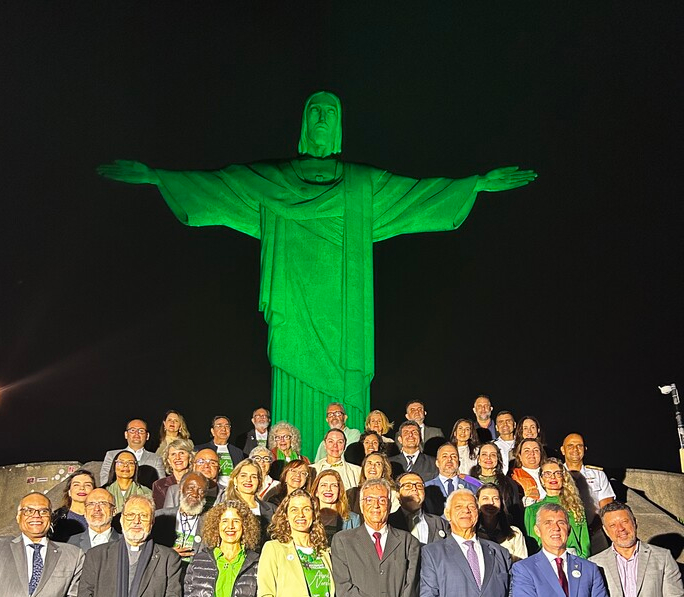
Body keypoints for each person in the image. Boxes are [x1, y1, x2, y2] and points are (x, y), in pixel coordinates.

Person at [98, 91, 535, 457]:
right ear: (305, 124)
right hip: (292, 306)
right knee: (290, 393)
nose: (322, 118)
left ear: (340, 125)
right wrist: (158, 177)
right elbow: (219, 186)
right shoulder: (273, 179)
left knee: (348, 400)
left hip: (344, 317)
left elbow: (417, 195)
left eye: (331, 113)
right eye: (315, 112)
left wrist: (473, 184)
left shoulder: (361, 185)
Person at [524, 457, 590, 558]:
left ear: (563, 478)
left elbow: (585, 543)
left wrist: (583, 562)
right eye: (547, 474)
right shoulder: (531, 510)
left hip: (574, 558)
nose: (553, 477)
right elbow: (531, 544)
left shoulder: (576, 507)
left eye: (557, 473)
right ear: (541, 479)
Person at [561, 432, 615, 554]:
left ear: (585, 449)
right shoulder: (556, 475)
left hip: (595, 534)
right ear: (562, 450)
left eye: (579, 445)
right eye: (570, 446)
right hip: (567, 536)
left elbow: (607, 507)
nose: (575, 449)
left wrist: (590, 530)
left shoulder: (598, 475)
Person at [100, 418, 165, 488]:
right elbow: (105, 481)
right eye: (132, 430)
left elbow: (161, 485)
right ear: (126, 434)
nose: (136, 434)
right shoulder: (111, 455)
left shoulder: (156, 459)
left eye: (141, 431)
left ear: (147, 436)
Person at [469, 442, 522, 523]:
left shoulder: (509, 483)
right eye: (484, 454)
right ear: (478, 459)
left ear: (498, 459)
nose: (488, 458)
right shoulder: (469, 482)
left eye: (493, 455)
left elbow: (516, 513)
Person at [390, 473, 448, 544]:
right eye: (408, 486)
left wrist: (466, 478)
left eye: (419, 486)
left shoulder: (440, 523)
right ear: (398, 495)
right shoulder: (388, 523)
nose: (414, 489)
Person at [424, 442, 480, 516]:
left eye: (454, 456)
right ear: (437, 463)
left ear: (459, 463)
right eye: (444, 456)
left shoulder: (472, 488)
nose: (449, 459)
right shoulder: (426, 488)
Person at [476, 483, 527, 561]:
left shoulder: (515, 533)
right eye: (485, 498)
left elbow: (522, 564)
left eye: (496, 498)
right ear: (477, 503)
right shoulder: (472, 533)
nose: (491, 503)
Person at [226, 458, 275, 539]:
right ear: (235, 480)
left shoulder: (272, 509)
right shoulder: (225, 508)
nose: (248, 480)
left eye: (253, 477)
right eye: (243, 476)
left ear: (259, 482)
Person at [311, 468, 361, 538]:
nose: (328, 489)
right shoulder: (309, 516)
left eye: (334, 485)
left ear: (339, 491)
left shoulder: (353, 519)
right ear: (316, 491)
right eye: (323, 485)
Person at [347, 451, 399, 517]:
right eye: (369, 463)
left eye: (378, 464)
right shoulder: (351, 493)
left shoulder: (393, 494)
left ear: (384, 471)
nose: (373, 467)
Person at [50, 469, 96, 541]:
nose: (82, 488)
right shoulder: (57, 519)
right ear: (69, 492)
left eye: (87, 485)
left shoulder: (102, 516)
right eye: (76, 485)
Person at [152, 438, 195, 510]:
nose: (177, 458)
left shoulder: (197, 482)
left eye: (181, 453)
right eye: (173, 454)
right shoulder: (159, 485)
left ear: (189, 457)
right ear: (168, 460)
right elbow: (159, 512)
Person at [106, 449, 153, 513]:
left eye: (130, 463)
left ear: (136, 467)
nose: (125, 465)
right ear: (114, 466)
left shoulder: (147, 493)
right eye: (121, 462)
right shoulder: (104, 491)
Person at [509, 438, 545, 506]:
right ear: (519, 456)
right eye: (527, 451)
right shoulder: (513, 476)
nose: (532, 453)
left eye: (536, 450)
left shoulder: (550, 472)